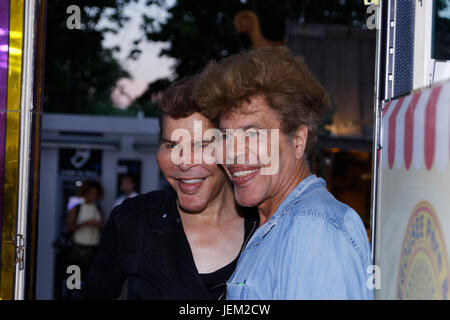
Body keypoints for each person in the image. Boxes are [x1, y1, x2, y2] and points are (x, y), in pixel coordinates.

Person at [194, 47, 373, 299]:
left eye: (253, 133)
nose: (231, 153)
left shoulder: (313, 229)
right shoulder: (276, 223)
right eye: (225, 136)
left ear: (298, 141)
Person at [79, 76, 258, 300]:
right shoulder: (131, 221)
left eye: (202, 144)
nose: (183, 161)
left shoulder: (268, 228)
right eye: (172, 145)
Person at [66, 180, 105, 287]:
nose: (92, 196)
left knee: (91, 282)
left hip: (93, 249)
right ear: (85, 193)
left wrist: (97, 225)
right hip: (77, 249)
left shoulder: (98, 209)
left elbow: (104, 227)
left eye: (95, 194)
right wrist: (84, 224)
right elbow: (69, 227)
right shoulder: (77, 208)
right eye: (90, 193)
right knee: (74, 283)